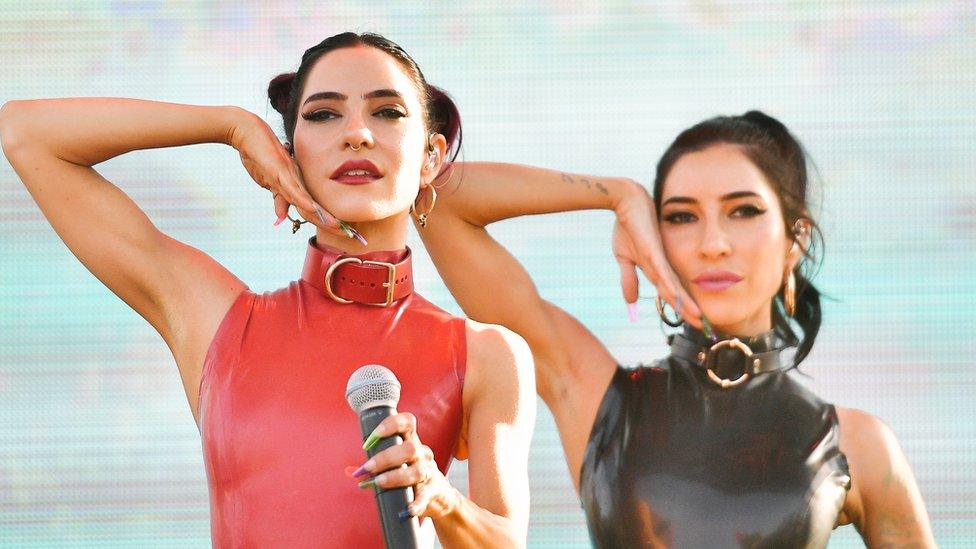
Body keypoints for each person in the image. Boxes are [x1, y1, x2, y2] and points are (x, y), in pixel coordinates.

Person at [0, 32, 535, 548]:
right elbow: (26, 134)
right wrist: (229, 126)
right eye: (324, 114)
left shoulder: (487, 354)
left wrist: (440, 498)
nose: (357, 134)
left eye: (387, 112)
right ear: (288, 155)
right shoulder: (220, 321)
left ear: (431, 158)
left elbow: (505, 541)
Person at [419, 111, 935, 547]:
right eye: (681, 217)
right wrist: (617, 195)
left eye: (744, 211)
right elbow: (435, 203)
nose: (713, 243)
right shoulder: (597, 396)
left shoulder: (857, 443)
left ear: (795, 238)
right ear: (655, 237)